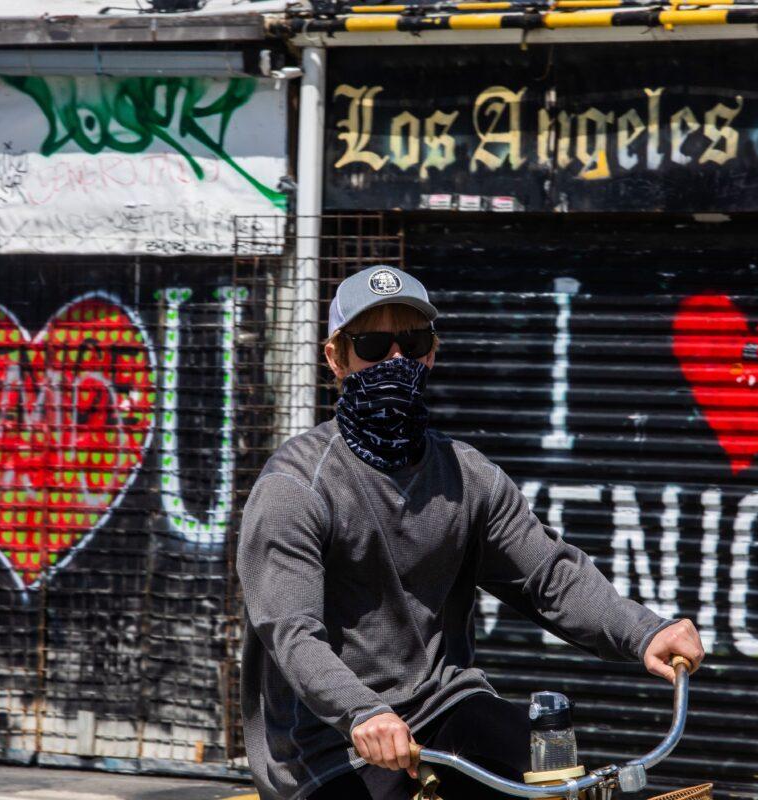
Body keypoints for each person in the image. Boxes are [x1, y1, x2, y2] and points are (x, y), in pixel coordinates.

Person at [237, 265, 705, 800]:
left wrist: (645, 631)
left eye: (411, 342)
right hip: (329, 743)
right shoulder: (297, 487)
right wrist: (362, 710)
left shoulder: (466, 476)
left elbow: (548, 576)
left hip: (445, 706)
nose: (395, 360)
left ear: (431, 352)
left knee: (561, 783)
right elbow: (292, 634)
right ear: (336, 358)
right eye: (372, 344)